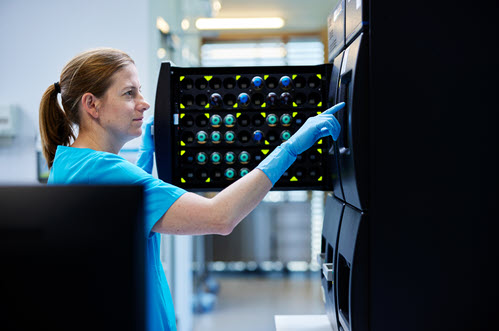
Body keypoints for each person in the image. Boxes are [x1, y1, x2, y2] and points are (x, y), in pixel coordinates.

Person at [39, 47, 344, 331]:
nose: (144, 103)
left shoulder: (68, 163)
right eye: (129, 93)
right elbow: (220, 217)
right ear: (92, 104)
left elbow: (119, 229)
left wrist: (145, 162)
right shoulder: (104, 172)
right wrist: (289, 149)